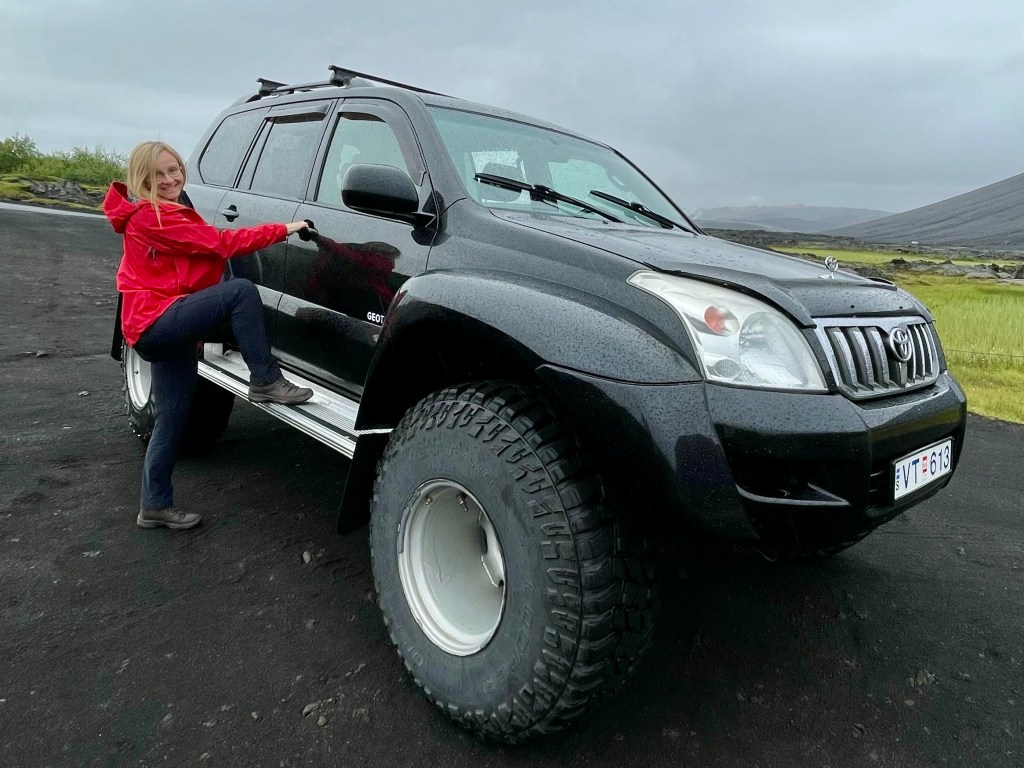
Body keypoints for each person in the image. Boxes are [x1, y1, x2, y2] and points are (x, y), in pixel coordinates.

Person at [104, 140, 313, 531]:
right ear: (142, 179)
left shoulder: (167, 212)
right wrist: (284, 229)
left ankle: (154, 506)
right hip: (156, 322)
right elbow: (222, 244)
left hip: (164, 323)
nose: (170, 179)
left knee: (172, 417)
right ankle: (265, 379)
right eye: (158, 175)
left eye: (174, 169)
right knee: (241, 292)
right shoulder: (152, 217)